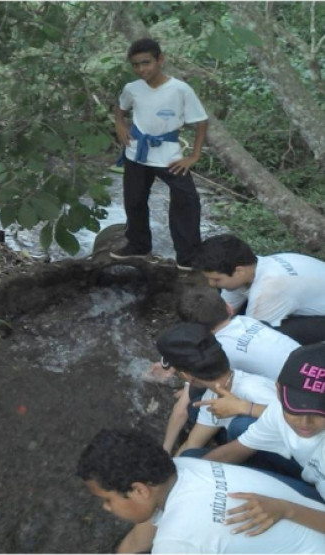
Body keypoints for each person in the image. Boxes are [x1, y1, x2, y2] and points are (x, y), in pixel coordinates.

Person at [78, 428, 325, 553]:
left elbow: (172, 538)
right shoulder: (182, 466)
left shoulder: (176, 543)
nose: (106, 507)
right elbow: (144, 531)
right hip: (313, 517)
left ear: (139, 491)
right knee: (196, 452)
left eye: (107, 499)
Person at [155, 288, 300, 452]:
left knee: (210, 414)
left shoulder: (246, 381)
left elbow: (181, 411)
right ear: (229, 308)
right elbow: (192, 444)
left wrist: (165, 448)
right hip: (306, 371)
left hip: (297, 408)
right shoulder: (245, 321)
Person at [110, 38, 208, 270]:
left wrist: (194, 155)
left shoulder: (180, 90)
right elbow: (120, 109)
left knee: (187, 201)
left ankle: (187, 257)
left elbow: (201, 121)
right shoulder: (132, 88)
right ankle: (138, 245)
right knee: (134, 200)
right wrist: (120, 126)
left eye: (146, 63)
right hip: (137, 153)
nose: (141, 69)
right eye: (136, 65)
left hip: (169, 156)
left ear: (160, 60)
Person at [204, 343, 325, 506]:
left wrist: (288, 510)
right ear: (278, 391)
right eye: (294, 408)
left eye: (320, 412)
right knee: (196, 457)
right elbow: (235, 450)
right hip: (312, 473)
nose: (305, 422)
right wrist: (187, 475)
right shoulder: (277, 410)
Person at [154, 323, 277, 456]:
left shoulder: (251, 388)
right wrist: (169, 463)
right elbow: (192, 444)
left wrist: (245, 408)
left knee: (240, 426)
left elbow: (291, 418)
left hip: (289, 456)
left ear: (187, 376)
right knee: (189, 455)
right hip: (262, 448)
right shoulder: (213, 396)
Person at [191, 233, 325, 345]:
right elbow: (224, 312)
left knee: (269, 337)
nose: (211, 284)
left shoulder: (269, 289)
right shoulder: (250, 269)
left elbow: (250, 336)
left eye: (216, 279)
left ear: (239, 271)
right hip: (304, 297)